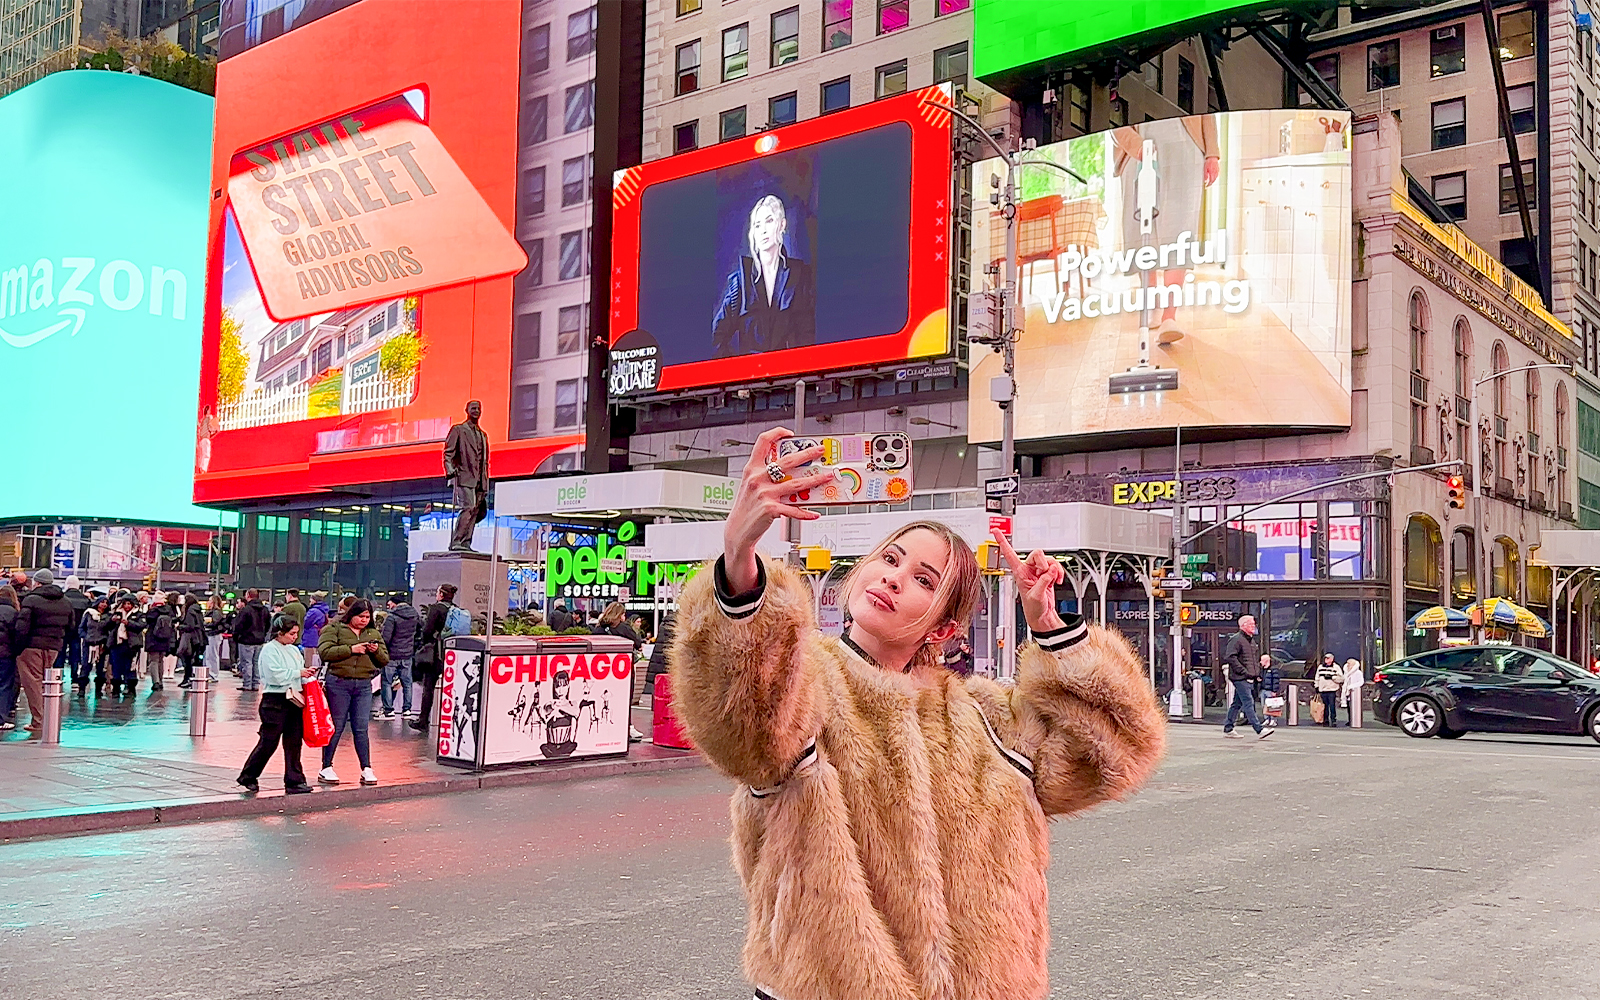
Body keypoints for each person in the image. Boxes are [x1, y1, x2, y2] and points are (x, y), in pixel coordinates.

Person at [668, 428, 1166, 1000]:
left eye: (923, 580)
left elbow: (1116, 753)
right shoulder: (801, 685)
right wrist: (738, 556)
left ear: (944, 628)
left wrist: (1053, 631)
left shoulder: (985, 721)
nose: (893, 578)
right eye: (890, 559)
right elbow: (745, 733)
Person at [711, 194, 816, 357]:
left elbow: (808, 333)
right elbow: (717, 336)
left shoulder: (799, 275)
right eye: (757, 225)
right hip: (749, 379)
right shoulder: (740, 282)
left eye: (769, 221)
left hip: (789, 375)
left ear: (782, 225)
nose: (763, 230)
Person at [237, 616, 317, 794]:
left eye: (296, 633)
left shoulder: (295, 650)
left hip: (293, 698)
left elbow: (291, 672)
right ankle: (248, 775)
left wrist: (303, 674)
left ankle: (294, 780)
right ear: (280, 633)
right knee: (269, 741)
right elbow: (273, 675)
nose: (294, 637)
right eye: (291, 633)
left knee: (294, 742)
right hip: (275, 699)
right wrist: (299, 673)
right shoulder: (269, 650)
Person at [317, 599, 388, 785]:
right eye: (360, 616)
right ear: (351, 614)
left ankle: (366, 768)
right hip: (339, 683)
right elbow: (325, 652)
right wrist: (351, 649)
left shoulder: (373, 633)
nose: (364, 620)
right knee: (337, 726)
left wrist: (375, 651)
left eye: (367, 617)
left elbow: (384, 659)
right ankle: (326, 766)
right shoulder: (335, 629)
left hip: (364, 684)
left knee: (361, 728)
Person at [14, 569, 75, 736]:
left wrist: (18, 647)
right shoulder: (65, 601)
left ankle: (39, 721)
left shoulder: (31, 599)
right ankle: (48, 718)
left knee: (32, 682)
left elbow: (22, 626)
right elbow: (71, 626)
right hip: (54, 646)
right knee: (45, 683)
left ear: (37, 583)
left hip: (32, 645)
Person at [408, 584, 457, 733]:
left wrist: (425, 643)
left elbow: (427, 630)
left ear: (441, 594)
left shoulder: (436, 609)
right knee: (451, 687)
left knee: (429, 687)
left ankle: (423, 721)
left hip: (436, 653)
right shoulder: (455, 609)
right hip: (451, 652)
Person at [1221, 614, 1272, 739]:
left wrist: (1256, 673)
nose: (1253, 626)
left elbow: (1253, 660)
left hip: (1248, 676)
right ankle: (1258, 729)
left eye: (1254, 623)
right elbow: (1230, 657)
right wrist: (1244, 671)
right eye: (1251, 623)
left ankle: (1228, 727)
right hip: (1240, 677)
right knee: (1248, 702)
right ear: (1243, 626)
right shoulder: (1236, 639)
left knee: (1237, 703)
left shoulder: (1251, 641)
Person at [379, 594, 419, 719]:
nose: (388, 606)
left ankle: (388, 710)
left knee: (387, 682)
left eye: (390, 603)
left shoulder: (392, 617)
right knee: (407, 683)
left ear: (395, 603)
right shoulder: (415, 615)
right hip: (407, 654)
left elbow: (386, 637)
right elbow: (419, 633)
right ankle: (407, 710)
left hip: (392, 655)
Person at [231, 588, 271, 692]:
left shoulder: (246, 610)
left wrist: (237, 637)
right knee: (256, 663)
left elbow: (239, 625)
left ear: (248, 596)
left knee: (247, 663)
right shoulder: (265, 609)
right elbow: (268, 625)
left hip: (246, 640)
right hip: (260, 640)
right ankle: (256, 684)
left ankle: (247, 684)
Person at [107, 597, 145, 696]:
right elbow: (107, 626)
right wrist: (112, 621)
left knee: (130, 666)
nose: (127, 606)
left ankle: (130, 687)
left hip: (131, 644)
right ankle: (116, 687)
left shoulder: (138, 614)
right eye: (125, 604)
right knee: (116, 666)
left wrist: (128, 623)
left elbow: (141, 626)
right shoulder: (116, 612)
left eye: (129, 604)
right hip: (117, 643)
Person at [142, 592, 180, 692]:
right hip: (165, 639)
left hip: (153, 638)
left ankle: (156, 682)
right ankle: (161, 681)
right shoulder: (169, 610)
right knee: (160, 660)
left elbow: (147, 622)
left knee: (153, 661)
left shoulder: (152, 611)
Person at [58, 575, 90, 688]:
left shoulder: (62, 598)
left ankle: (58, 676)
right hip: (77, 631)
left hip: (62, 630)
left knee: (60, 654)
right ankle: (74, 677)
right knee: (75, 654)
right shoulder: (85, 600)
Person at [79, 597, 111, 696]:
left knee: (101, 668)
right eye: (102, 602)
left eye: (106, 602)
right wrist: (85, 636)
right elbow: (81, 627)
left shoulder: (109, 616)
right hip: (88, 644)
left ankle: (98, 690)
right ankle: (82, 688)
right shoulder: (89, 614)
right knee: (85, 666)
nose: (104, 604)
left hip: (102, 645)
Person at [176, 595, 207, 688]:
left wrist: (179, 627)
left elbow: (190, 626)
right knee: (196, 660)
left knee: (187, 659)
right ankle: (194, 678)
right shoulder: (198, 610)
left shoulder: (190, 611)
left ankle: (188, 678)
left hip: (192, 638)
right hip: (199, 638)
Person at [0, 586, 19, 730]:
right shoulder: (13, 613)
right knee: (5, 685)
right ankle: (1, 718)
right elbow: (17, 634)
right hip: (6, 654)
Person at [1314, 652, 1345, 728]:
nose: (1326, 660)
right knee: (1324, 706)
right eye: (1325, 658)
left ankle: (1333, 719)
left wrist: (1332, 677)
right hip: (1323, 689)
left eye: (1328, 658)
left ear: (1332, 659)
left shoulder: (1336, 667)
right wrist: (1317, 686)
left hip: (1332, 689)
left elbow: (1341, 678)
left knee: (1332, 705)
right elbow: (1317, 677)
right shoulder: (1320, 667)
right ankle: (1325, 719)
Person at [301, 591, 330, 670]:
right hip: (318, 638)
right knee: (317, 661)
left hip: (310, 639)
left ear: (314, 600)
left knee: (309, 663)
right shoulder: (324, 610)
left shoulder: (313, 611)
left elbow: (306, 623)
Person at [202, 593, 228, 682]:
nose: (208, 602)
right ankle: (209, 673)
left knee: (212, 655)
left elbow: (214, 623)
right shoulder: (212, 612)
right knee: (208, 655)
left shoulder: (216, 612)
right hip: (210, 635)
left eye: (209, 600)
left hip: (214, 635)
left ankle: (213, 674)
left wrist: (205, 624)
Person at [1260, 654, 1284, 729]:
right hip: (1264, 689)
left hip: (1270, 690)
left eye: (1262, 660)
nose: (1260, 662)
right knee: (1264, 705)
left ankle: (1273, 719)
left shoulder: (1273, 669)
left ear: (1266, 661)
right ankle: (1267, 719)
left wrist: (1274, 690)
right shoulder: (1262, 670)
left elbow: (1275, 680)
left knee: (1273, 706)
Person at [1341, 657, 1364, 726]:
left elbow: (1361, 682)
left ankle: (1357, 720)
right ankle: (1350, 719)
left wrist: (1352, 686)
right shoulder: (1346, 672)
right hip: (1348, 692)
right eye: (1347, 664)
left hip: (1355, 692)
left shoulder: (1358, 673)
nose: (1348, 665)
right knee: (1349, 707)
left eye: (1349, 664)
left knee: (1355, 708)